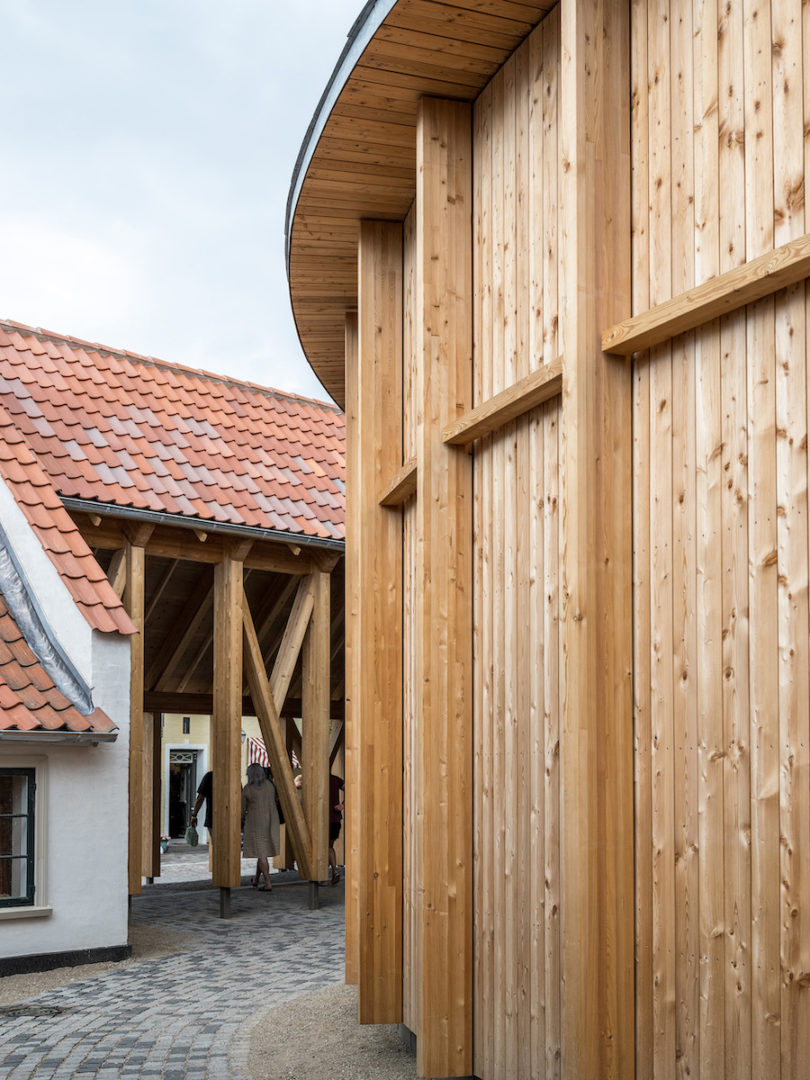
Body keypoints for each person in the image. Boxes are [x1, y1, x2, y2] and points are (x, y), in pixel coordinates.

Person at [241, 762, 280, 891]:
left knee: (261, 853)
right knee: (261, 851)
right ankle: (256, 879)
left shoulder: (248, 789)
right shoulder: (270, 786)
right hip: (271, 821)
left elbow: (242, 809)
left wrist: (240, 822)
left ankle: (268, 882)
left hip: (255, 824)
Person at [328, 772, 344, 886]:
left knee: (325, 847)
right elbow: (352, 788)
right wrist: (343, 806)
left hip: (326, 820)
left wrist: (343, 805)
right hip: (335, 819)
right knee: (329, 847)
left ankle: (332, 872)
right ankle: (333, 872)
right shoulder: (335, 779)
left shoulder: (314, 779)